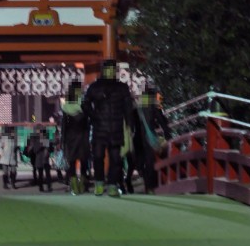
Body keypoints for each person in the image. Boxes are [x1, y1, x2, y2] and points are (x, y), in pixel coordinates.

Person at [82, 59, 134, 197]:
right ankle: (99, 182)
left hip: (116, 127)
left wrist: (130, 124)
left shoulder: (122, 88)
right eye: (108, 69)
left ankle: (112, 185)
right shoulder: (94, 87)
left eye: (112, 69)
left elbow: (128, 107)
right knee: (98, 157)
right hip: (99, 127)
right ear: (103, 70)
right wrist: (93, 116)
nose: (110, 72)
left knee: (116, 159)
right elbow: (85, 104)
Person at [132, 86, 169, 194]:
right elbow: (162, 121)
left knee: (142, 160)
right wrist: (167, 133)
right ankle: (150, 187)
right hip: (148, 137)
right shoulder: (152, 106)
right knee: (149, 161)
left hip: (137, 138)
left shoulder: (136, 107)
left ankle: (145, 182)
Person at [61, 81, 90, 195]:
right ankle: (82, 185)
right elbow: (88, 121)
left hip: (70, 137)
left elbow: (64, 125)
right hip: (82, 136)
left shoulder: (66, 107)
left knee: (72, 162)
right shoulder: (83, 105)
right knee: (83, 161)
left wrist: (63, 140)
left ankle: (74, 186)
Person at [31, 127, 53, 192]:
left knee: (48, 174)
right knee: (40, 175)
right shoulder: (36, 140)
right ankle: (41, 187)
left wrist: (48, 148)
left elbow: (51, 149)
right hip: (39, 160)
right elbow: (35, 150)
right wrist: (41, 145)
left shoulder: (47, 140)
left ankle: (49, 187)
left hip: (46, 160)